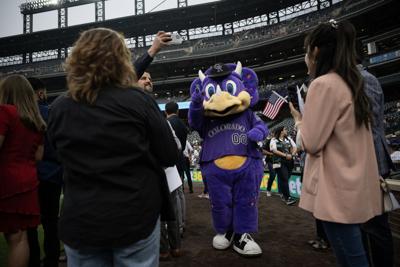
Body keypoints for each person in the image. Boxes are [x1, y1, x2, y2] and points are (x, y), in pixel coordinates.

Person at [46, 28, 179, 267]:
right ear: (121, 60)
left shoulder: (59, 107)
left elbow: (56, 156)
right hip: (134, 217)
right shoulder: (139, 100)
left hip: (81, 220)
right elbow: (169, 155)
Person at [290, 20, 382, 267]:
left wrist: (299, 121)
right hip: (355, 183)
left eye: (308, 50)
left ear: (317, 51)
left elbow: (311, 142)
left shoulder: (323, 84)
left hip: (335, 190)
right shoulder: (352, 80)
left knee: (352, 259)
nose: (306, 56)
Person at [0, 74, 46, 267]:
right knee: (20, 239)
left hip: (5, 181)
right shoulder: (35, 121)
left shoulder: (5, 112)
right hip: (28, 181)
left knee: (15, 238)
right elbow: (38, 156)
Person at [356, 42, 395, 267]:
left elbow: (367, 126)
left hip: (370, 164)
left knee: (376, 229)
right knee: (363, 227)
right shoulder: (355, 80)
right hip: (362, 165)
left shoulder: (365, 79)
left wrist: (369, 167)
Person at [25, 77, 63, 267]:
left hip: (28, 174)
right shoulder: (50, 113)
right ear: (40, 93)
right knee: (51, 222)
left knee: (29, 224)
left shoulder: (17, 114)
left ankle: (33, 261)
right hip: (52, 173)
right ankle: (52, 261)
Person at [165, 101, 188, 238]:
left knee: (172, 196)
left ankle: (176, 226)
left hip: (169, 162)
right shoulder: (182, 124)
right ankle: (182, 223)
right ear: (178, 111)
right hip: (180, 160)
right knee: (180, 193)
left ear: (165, 112)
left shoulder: (166, 123)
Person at [270, 126, 297, 205]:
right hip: (279, 162)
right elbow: (274, 150)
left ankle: (282, 193)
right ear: (281, 131)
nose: (286, 130)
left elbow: (295, 146)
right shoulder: (273, 140)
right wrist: (285, 155)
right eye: (285, 129)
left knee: (286, 178)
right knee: (284, 178)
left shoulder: (289, 139)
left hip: (289, 161)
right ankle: (287, 198)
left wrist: (292, 154)